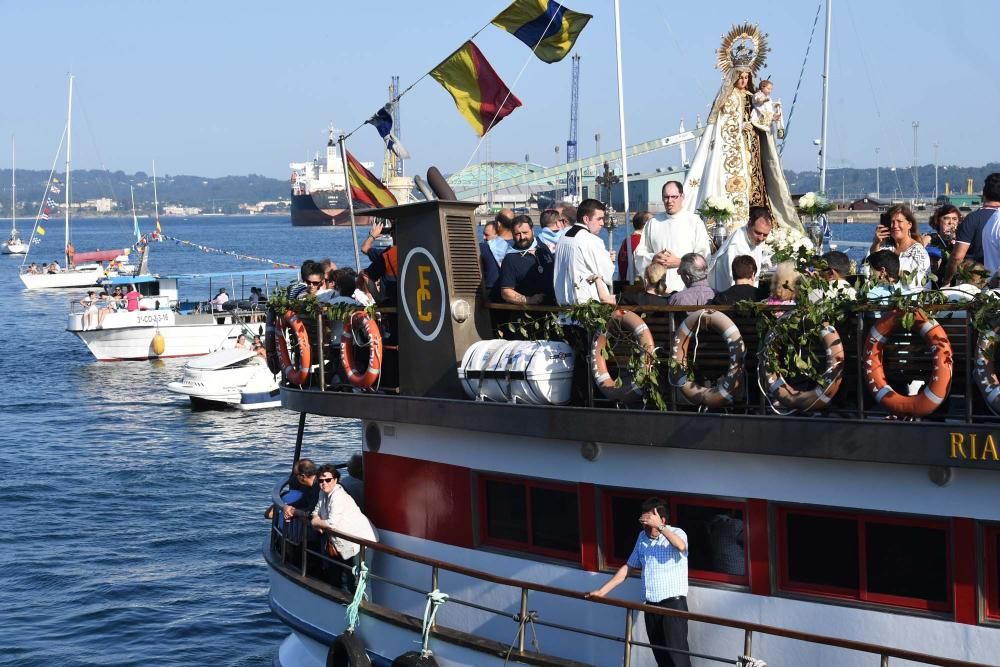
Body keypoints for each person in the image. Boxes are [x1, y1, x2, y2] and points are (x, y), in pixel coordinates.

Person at [682, 36, 801, 236]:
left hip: (753, 147)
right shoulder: (726, 98)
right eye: (741, 77)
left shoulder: (752, 97)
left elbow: (761, 116)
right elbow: (722, 123)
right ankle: (733, 227)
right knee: (738, 188)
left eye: (747, 77)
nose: (744, 81)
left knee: (756, 186)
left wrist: (770, 117)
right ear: (734, 76)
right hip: (733, 150)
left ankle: (759, 225)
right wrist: (740, 126)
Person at [588, 498, 691, 667]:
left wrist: (660, 528)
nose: (645, 527)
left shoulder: (677, 533)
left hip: (673, 606)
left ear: (662, 520)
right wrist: (602, 591)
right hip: (650, 606)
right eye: (643, 522)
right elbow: (628, 568)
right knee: (662, 657)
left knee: (678, 658)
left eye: (649, 522)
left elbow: (680, 546)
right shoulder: (642, 537)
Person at [634, 182, 712, 294]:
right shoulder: (653, 223)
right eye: (666, 197)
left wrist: (681, 262)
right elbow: (640, 254)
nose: (669, 201)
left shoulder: (694, 222)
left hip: (685, 289)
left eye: (674, 197)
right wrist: (654, 258)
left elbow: (704, 257)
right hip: (657, 289)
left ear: (682, 196)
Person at [311, 464, 377, 590]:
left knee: (361, 580)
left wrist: (316, 523)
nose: (324, 483)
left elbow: (331, 523)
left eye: (328, 480)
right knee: (350, 576)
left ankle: (363, 608)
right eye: (321, 480)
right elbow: (316, 512)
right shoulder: (323, 493)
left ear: (335, 480)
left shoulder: (338, 496)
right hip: (346, 542)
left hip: (361, 543)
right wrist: (316, 519)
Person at [553, 199, 615, 305]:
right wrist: (610, 260)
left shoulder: (563, 237)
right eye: (599, 219)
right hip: (586, 308)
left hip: (563, 307)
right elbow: (607, 274)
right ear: (586, 219)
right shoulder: (591, 240)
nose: (602, 223)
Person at [944, 173, 1000, 285]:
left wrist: (946, 281)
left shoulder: (972, 219)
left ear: (984, 195)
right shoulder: (995, 219)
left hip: (976, 282)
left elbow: (957, 257)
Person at [708, 206, 773, 292]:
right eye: (757, 233)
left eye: (765, 235)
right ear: (749, 224)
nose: (761, 238)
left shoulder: (754, 237)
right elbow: (735, 282)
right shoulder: (735, 246)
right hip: (729, 295)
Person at [869, 205, 930, 290]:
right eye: (892, 222)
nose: (894, 225)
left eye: (899, 221)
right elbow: (871, 267)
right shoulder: (885, 247)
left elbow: (922, 284)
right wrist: (876, 243)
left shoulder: (918, 252)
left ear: (909, 225)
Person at [498, 216, 555, 306]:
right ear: (512, 235)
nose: (522, 237)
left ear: (532, 231)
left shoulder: (543, 248)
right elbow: (506, 292)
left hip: (552, 309)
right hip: (527, 314)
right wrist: (528, 300)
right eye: (517, 234)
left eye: (525, 232)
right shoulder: (510, 258)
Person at [618, 211, 652, 284]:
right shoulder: (641, 242)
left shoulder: (627, 240)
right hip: (636, 286)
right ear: (647, 225)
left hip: (624, 283)